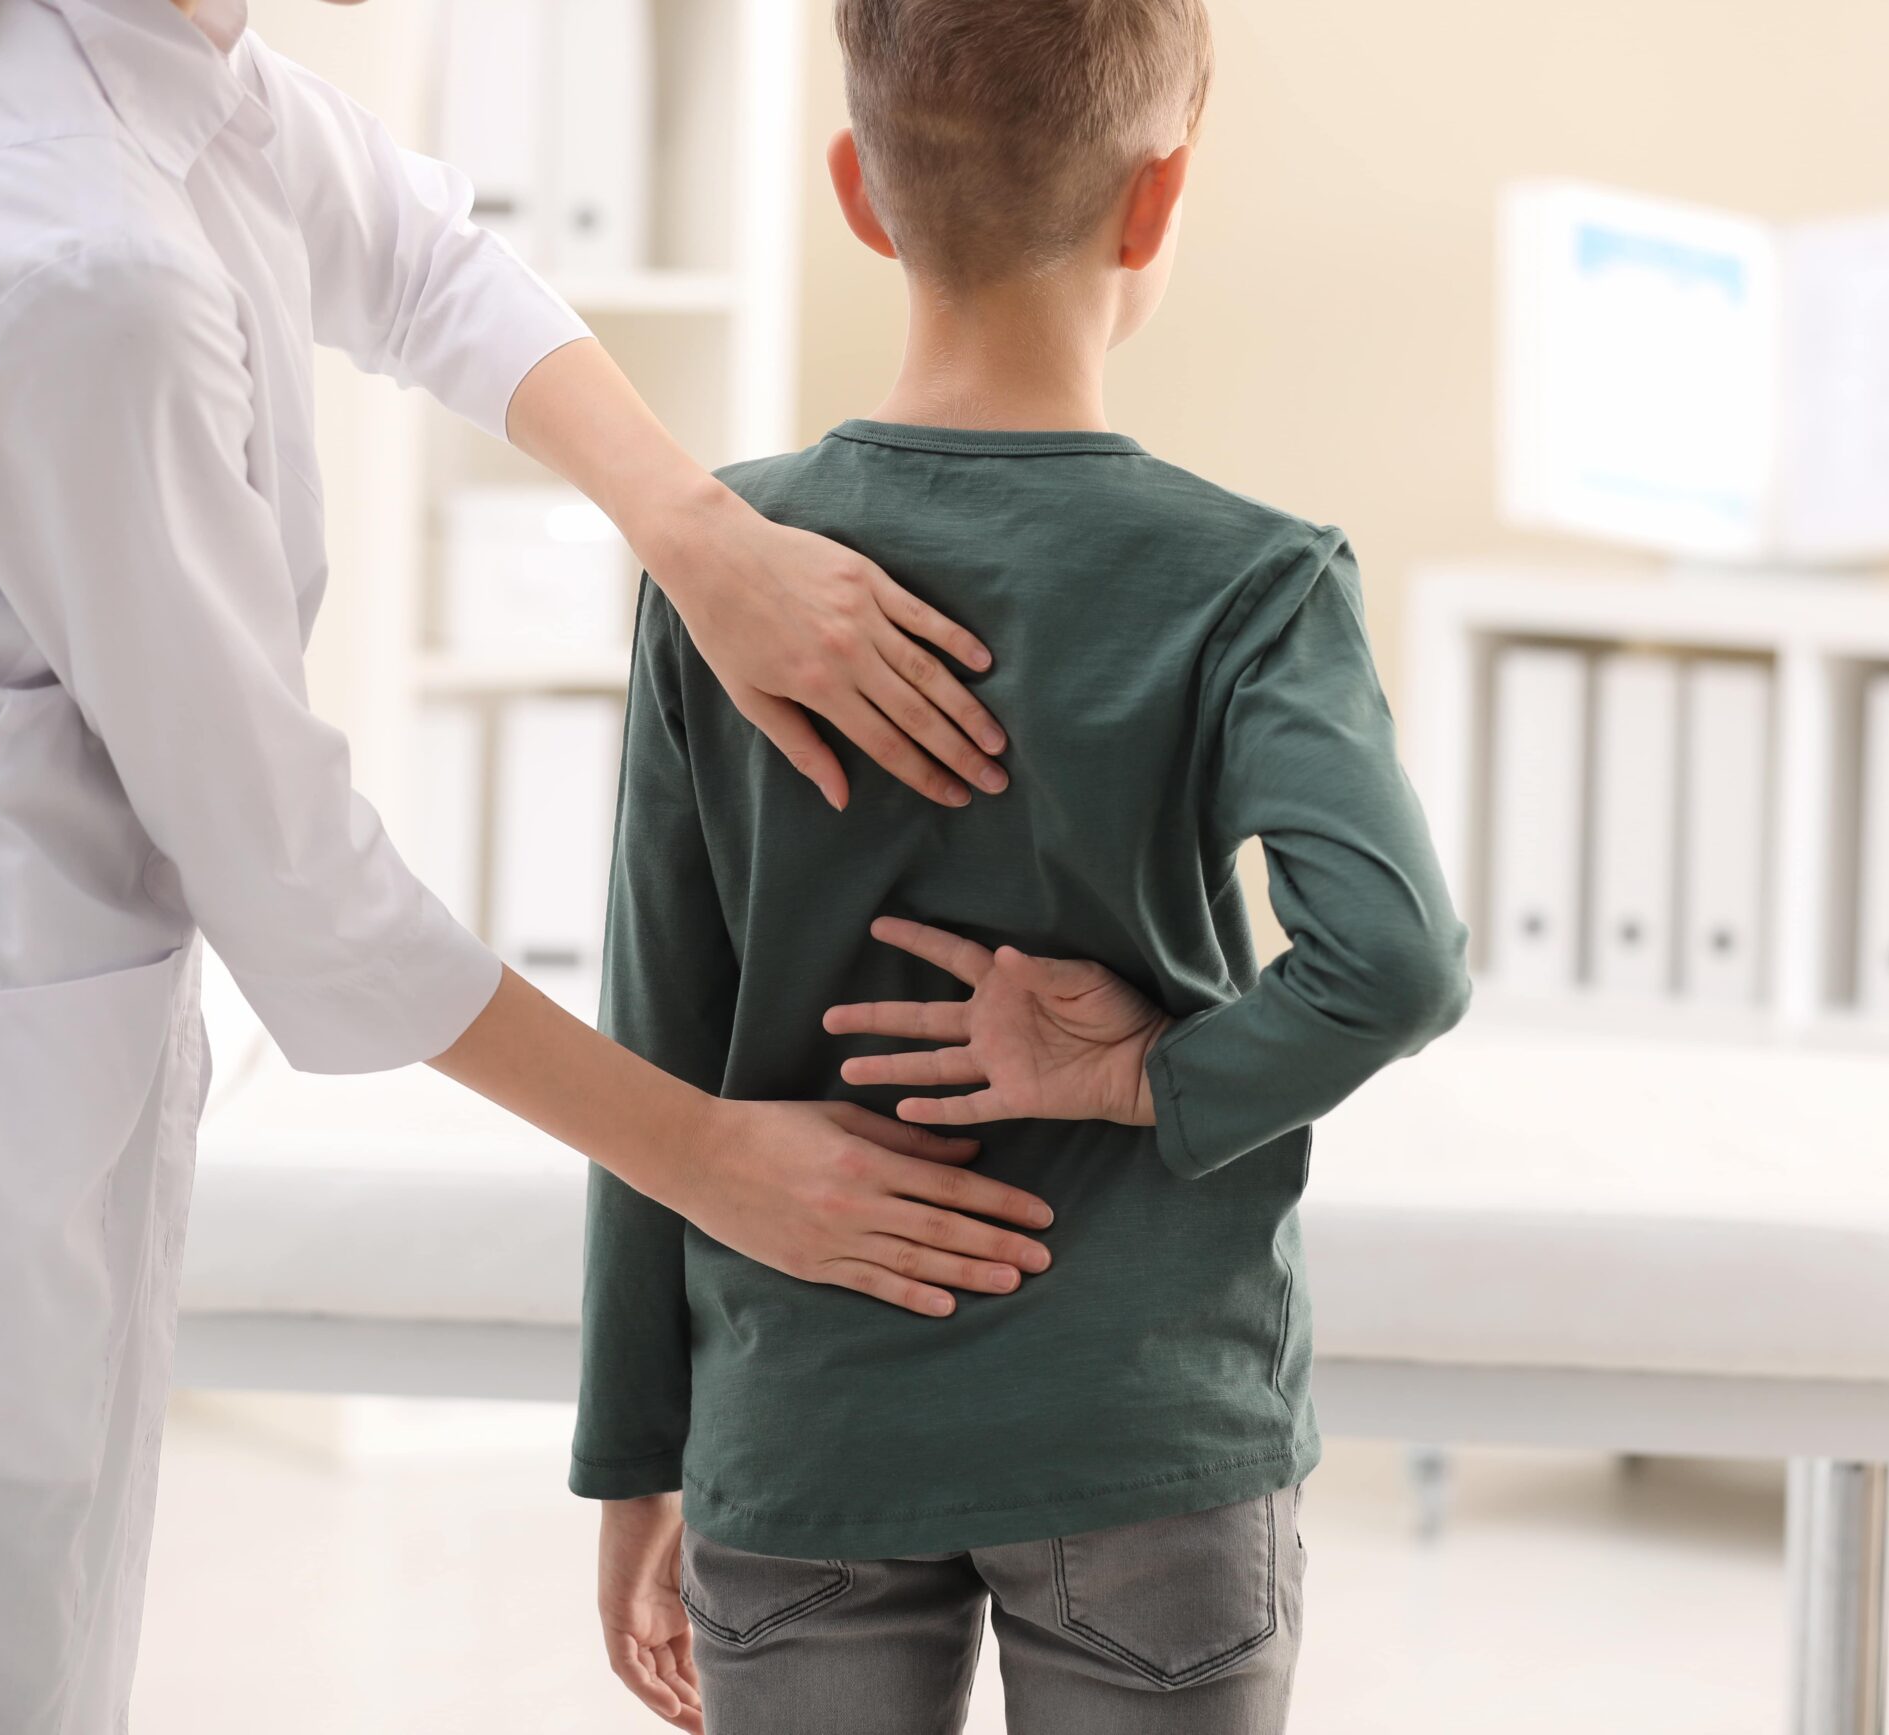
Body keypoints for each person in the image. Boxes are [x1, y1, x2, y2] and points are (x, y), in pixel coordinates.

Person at [0, 0, 1064, 1728]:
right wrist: (707, 1161)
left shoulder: (143, 53)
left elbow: (407, 252)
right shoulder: (79, 262)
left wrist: (696, 533)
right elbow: (294, 880)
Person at [580, 1, 1474, 1728]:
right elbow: (1397, 959)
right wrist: (1150, 1071)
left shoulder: (723, 567)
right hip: (1146, 1428)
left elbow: (656, 1035)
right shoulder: (1253, 579)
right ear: (1160, 203)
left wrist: (637, 1457)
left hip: (803, 1422)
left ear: (860, 188)